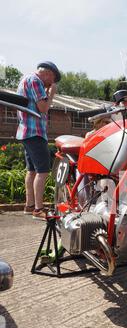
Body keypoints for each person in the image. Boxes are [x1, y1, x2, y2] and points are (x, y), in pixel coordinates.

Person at [16, 61, 61, 220]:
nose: (50, 84)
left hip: (26, 132)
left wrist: (47, 92)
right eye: (52, 80)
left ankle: (29, 206)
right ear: (48, 73)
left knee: (32, 170)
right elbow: (43, 108)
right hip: (35, 132)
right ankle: (38, 209)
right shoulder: (36, 81)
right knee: (43, 171)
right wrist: (51, 94)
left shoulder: (25, 79)